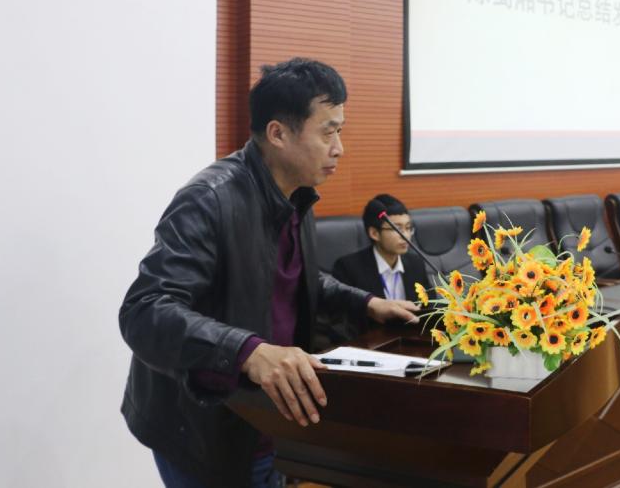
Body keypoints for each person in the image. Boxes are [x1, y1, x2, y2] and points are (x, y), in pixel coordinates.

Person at [119, 58, 419, 488]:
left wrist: (367, 303)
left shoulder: (297, 194)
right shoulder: (209, 199)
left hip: (268, 420)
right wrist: (250, 352)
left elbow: (294, 280)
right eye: (328, 132)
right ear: (278, 133)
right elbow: (145, 310)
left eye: (340, 131)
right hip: (203, 426)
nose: (339, 148)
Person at [331, 194, 432, 314]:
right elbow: (344, 315)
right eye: (397, 229)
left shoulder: (416, 264)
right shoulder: (348, 268)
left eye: (408, 227)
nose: (406, 235)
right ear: (374, 233)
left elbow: (430, 306)